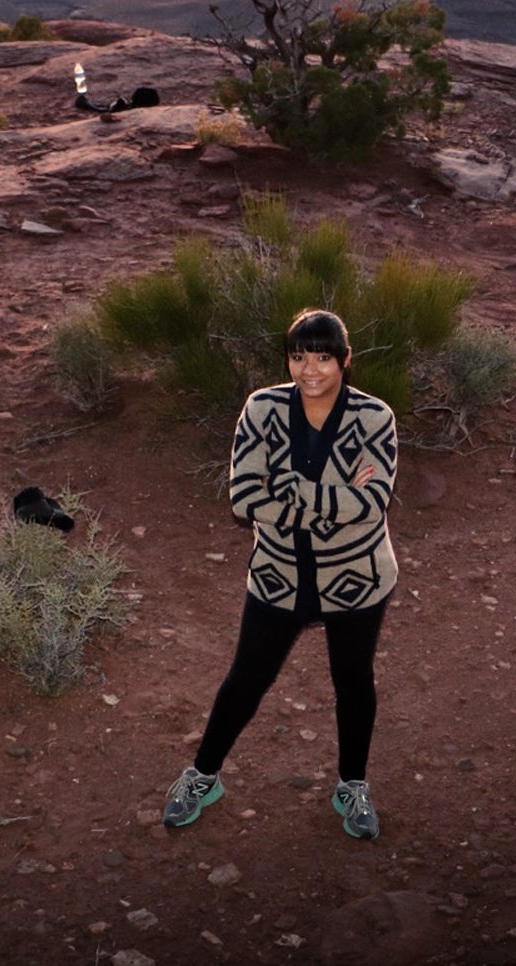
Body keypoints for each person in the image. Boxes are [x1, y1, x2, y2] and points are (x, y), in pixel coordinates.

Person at [162, 307, 400, 840]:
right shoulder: (262, 407)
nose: (309, 370)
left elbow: (373, 502)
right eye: (298, 357)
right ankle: (203, 776)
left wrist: (286, 488)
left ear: (344, 360)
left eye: (322, 357)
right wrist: (330, 499)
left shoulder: (374, 418)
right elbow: (244, 497)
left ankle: (352, 785)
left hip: (356, 578)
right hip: (279, 575)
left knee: (353, 682)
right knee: (246, 678)